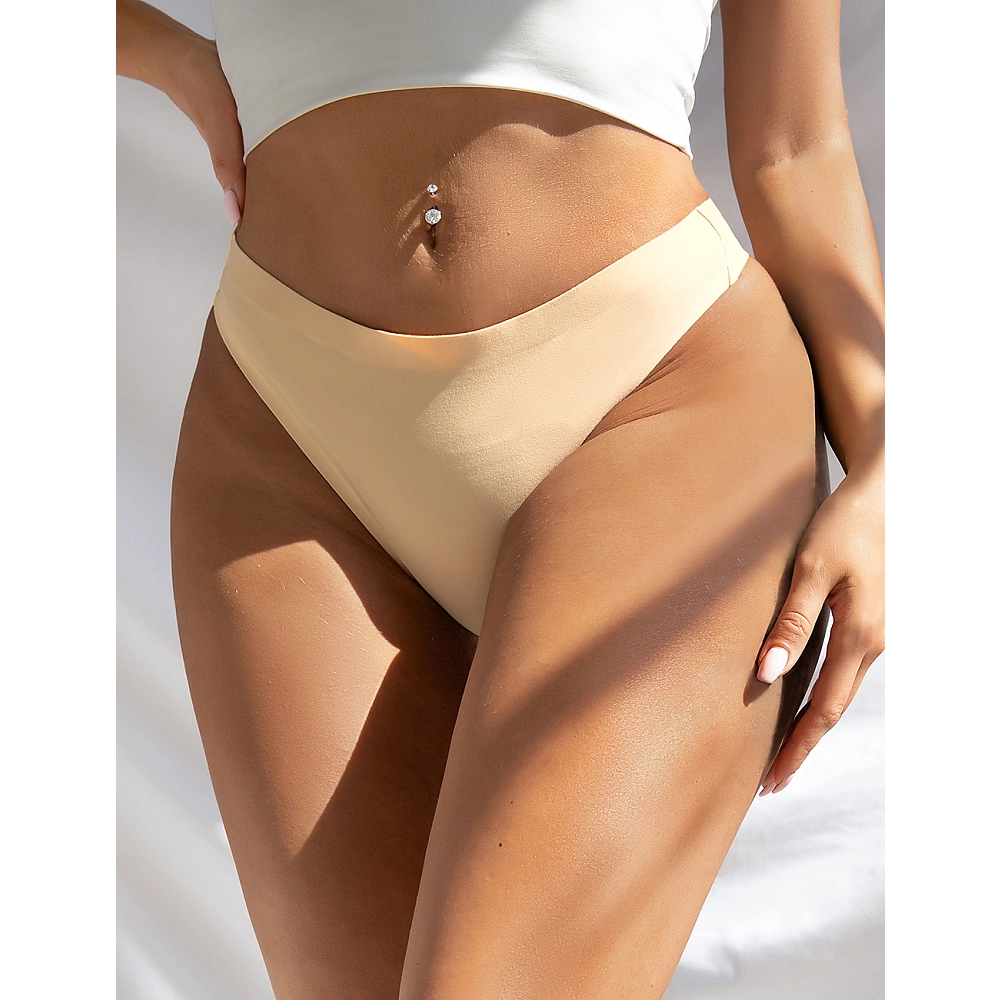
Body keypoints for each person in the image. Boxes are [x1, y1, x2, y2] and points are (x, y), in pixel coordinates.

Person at [117, 0, 885, 996]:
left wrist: (888, 459)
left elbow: (794, 146)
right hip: (286, 433)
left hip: (653, 392)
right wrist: (178, 59)